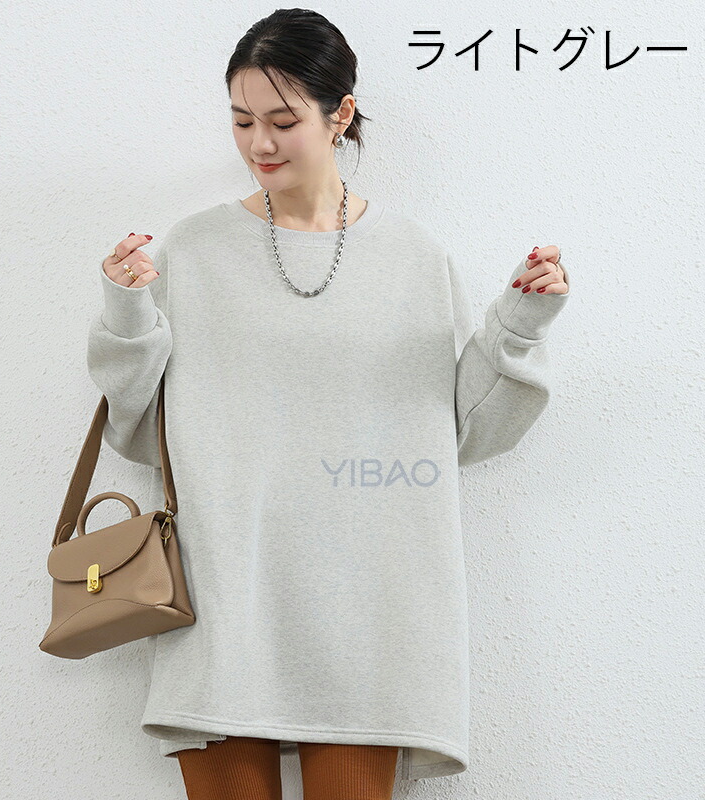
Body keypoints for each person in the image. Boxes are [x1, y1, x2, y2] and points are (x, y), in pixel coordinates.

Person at [87, 9, 570, 800]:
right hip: (224, 594)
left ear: (340, 113)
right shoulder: (192, 250)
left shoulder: (413, 256)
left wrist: (520, 324)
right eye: (241, 120)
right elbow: (139, 432)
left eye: (283, 121)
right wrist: (127, 310)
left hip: (370, 606)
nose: (259, 144)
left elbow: (466, 433)